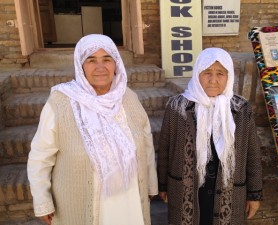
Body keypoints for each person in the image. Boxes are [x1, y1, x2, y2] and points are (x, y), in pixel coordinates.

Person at [27, 34, 158, 225]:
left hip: (129, 202)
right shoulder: (60, 102)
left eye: (107, 59)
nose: (100, 67)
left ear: (116, 64)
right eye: (91, 60)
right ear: (81, 66)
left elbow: (146, 144)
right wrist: (42, 200)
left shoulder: (128, 97)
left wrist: (150, 185)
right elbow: (40, 156)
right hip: (84, 202)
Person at [157, 47, 262, 225]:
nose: (213, 80)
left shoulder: (241, 109)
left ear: (229, 76)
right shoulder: (177, 106)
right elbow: (165, 148)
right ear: (197, 73)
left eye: (220, 73)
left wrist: (254, 194)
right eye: (207, 72)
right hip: (185, 191)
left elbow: (252, 154)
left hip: (228, 193)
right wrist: (163, 185)